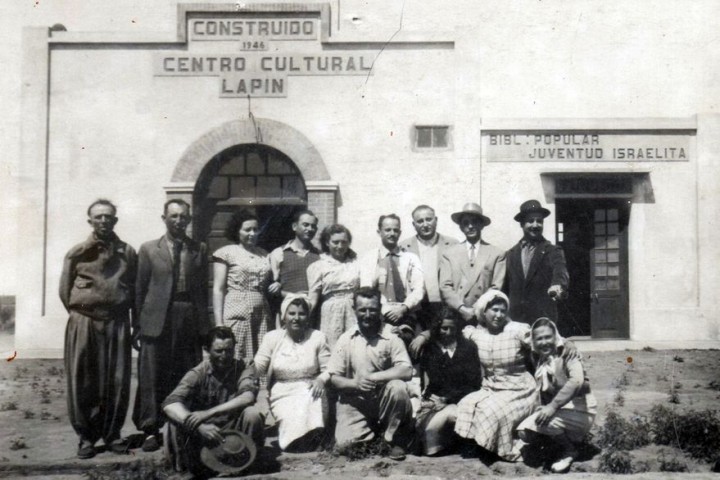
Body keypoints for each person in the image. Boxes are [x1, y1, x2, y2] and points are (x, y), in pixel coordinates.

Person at [59, 199, 137, 459]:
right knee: (84, 380)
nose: (104, 221)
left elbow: (134, 290)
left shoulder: (127, 252)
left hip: (117, 322)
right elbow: (65, 290)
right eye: (99, 217)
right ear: (89, 220)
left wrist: (132, 323)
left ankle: (113, 434)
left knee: (117, 379)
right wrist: (83, 316)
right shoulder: (77, 253)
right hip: (84, 321)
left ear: (115, 221)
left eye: (109, 217)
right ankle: (86, 437)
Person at [134, 199, 210, 452]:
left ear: (189, 220)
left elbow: (202, 292)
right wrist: (138, 325)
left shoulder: (199, 248)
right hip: (156, 320)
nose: (179, 221)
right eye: (174, 216)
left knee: (186, 373)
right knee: (152, 375)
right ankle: (150, 428)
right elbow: (139, 289)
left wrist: (204, 328)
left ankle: (183, 424)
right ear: (164, 218)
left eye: (183, 217)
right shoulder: (148, 249)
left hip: (187, 314)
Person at [163, 326, 265, 478]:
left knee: (253, 414)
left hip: (233, 432)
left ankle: (243, 467)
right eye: (218, 351)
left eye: (229, 350)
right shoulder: (198, 372)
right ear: (207, 350)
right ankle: (184, 471)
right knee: (173, 423)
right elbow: (169, 403)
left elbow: (247, 397)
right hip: (204, 434)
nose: (224, 356)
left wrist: (207, 413)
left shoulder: (244, 366)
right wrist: (199, 425)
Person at [327, 287, 414, 461]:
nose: (367, 314)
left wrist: (374, 377)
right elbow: (334, 378)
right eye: (362, 310)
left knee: (398, 387)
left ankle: (391, 439)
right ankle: (373, 435)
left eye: (372, 309)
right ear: (354, 310)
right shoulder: (346, 338)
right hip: (357, 402)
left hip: (384, 401)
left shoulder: (391, 335)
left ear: (380, 309)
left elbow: (407, 370)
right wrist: (355, 384)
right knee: (347, 446)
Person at [453, 290, 538, 462]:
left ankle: (508, 448)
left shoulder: (517, 330)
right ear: (484, 311)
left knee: (492, 412)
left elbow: (544, 339)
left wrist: (565, 345)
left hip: (519, 390)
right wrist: (425, 335)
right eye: (494, 310)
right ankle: (479, 445)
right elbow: (450, 333)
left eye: (502, 310)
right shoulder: (476, 334)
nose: (499, 315)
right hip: (490, 389)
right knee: (465, 405)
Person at [517, 317, 596, 473]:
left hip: (581, 408)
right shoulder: (539, 358)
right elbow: (521, 335)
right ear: (534, 341)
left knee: (543, 422)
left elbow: (577, 381)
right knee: (524, 433)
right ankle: (558, 447)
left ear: (556, 337)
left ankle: (569, 451)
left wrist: (552, 407)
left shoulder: (568, 354)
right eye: (539, 339)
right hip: (563, 411)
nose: (544, 342)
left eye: (548, 337)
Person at [254, 294, 330, 451]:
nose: (296, 318)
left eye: (301, 314)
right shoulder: (272, 337)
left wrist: (321, 380)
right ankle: (296, 442)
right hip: (281, 391)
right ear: (283, 316)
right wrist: (248, 373)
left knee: (311, 398)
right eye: (292, 313)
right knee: (291, 424)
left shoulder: (318, 337)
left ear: (308, 316)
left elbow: (328, 368)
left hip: (311, 388)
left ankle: (313, 438)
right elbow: (259, 364)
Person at [415, 310, 482, 456]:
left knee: (454, 416)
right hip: (436, 401)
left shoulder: (468, 348)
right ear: (437, 328)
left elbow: (473, 383)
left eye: (452, 328)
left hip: (461, 400)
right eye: (444, 328)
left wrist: (448, 399)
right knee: (429, 446)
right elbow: (431, 381)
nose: (449, 332)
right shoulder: (430, 349)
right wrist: (431, 399)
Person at [213, 209, 274, 362]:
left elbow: (269, 282)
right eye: (247, 230)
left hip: (261, 312)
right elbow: (218, 289)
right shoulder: (226, 253)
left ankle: (258, 385)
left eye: (255, 229)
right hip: (236, 309)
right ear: (237, 231)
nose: (252, 233)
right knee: (237, 352)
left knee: (261, 354)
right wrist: (219, 323)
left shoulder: (265, 254)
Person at [359, 214, 425, 340]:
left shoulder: (411, 258)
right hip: (379, 314)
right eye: (387, 230)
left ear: (400, 233)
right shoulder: (369, 258)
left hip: (407, 314)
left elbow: (419, 289)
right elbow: (367, 289)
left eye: (395, 230)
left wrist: (403, 309)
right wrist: (386, 311)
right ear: (379, 232)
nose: (392, 233)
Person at [503, 200, 569, 325]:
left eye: (539, 221)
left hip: (543, 320)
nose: (535, 225)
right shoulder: (510, 254)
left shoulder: (553, 251)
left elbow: (560, 272)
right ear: (522, 224)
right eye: (530, 221)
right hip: (515, 321)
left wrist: (558, 286)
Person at [439, 203, 506, 326]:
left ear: (481, 225)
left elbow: (496, 287)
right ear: (461, 227)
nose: (470, 226)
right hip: (457, 315)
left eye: (474, 222)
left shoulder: (497, 253)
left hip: (483, 314)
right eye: (465, 223)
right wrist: (462, 309)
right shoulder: (449, 254)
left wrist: (476, 309)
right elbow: (445, 287)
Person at [399, 205, 458, 331]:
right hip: (417, 308)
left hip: (445, 306)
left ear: (436, 220)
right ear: (413, 224)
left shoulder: (452, 244)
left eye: (428, 219)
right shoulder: (404, 247)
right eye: (420, 221)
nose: (425, 224)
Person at [307, 224, 361, 347]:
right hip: (330, 312)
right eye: (335, 242)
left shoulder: (356, 263)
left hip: (353, 310)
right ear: (327, 242)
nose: (340, 246)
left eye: (344, 242)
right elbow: (313, 297)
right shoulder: (318, 266)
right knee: (331, 346)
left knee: (354, 345)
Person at [268, 210, 320, 324]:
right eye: (305, 225)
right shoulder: (279, 253)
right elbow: (272, 288)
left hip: (312, 314)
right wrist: (295, 296)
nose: (310, 229)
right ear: (294, 226)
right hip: (288, 314)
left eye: (313, 226)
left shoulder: (320, 256)